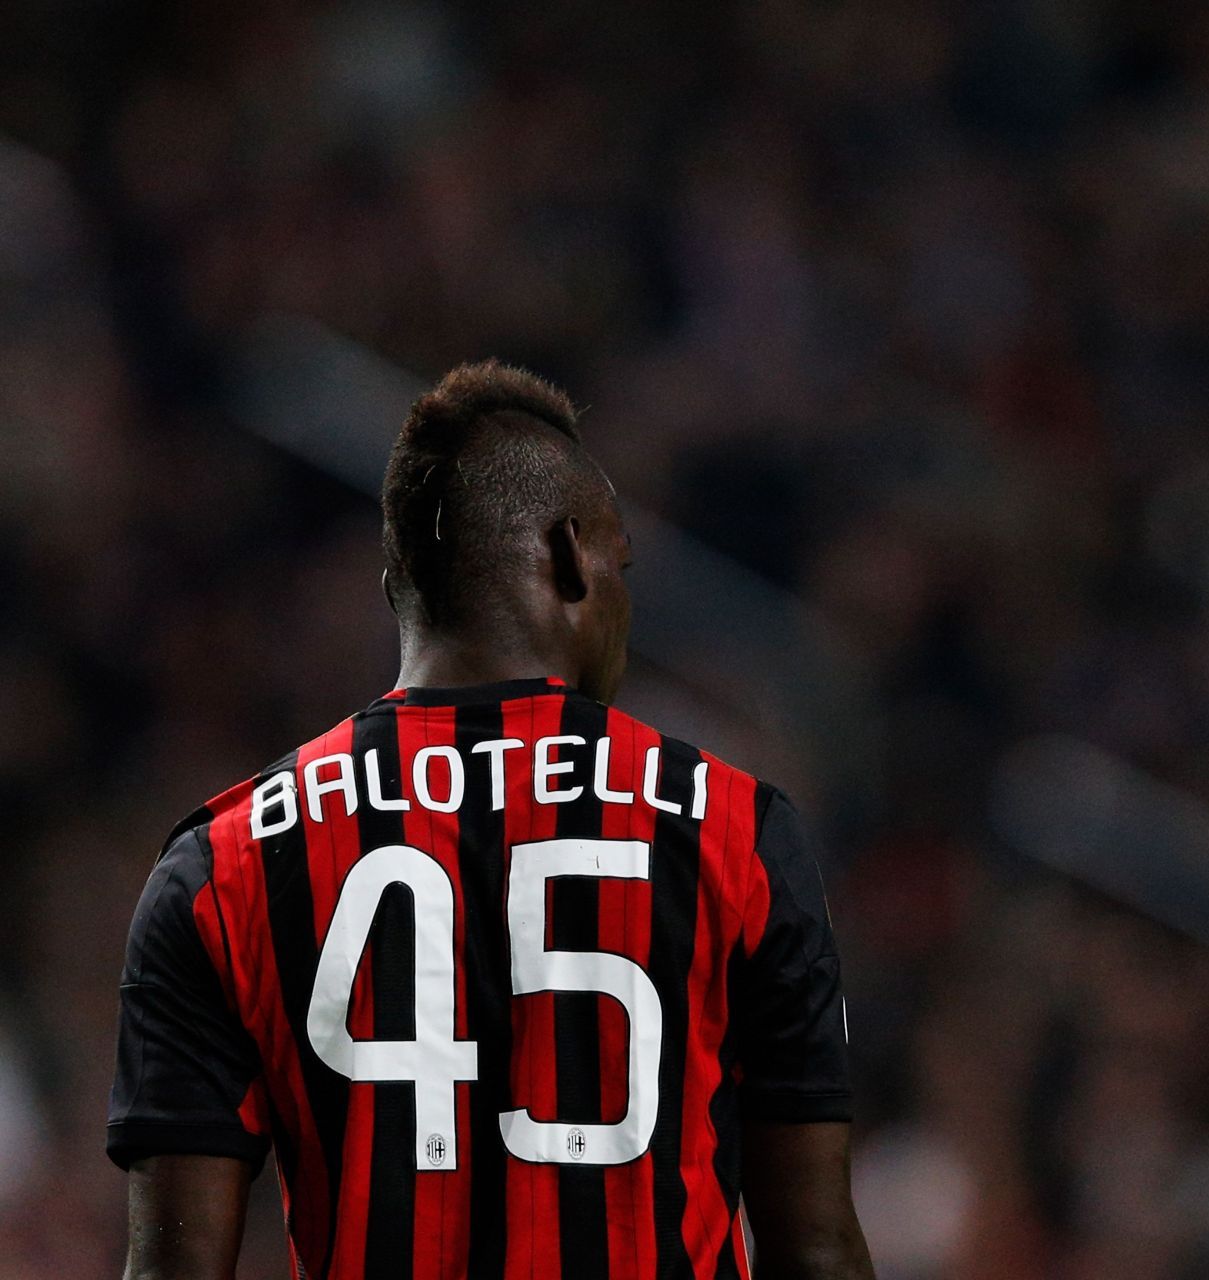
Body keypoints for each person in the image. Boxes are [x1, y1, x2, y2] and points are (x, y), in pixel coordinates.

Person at [107, 362, 875, 1280]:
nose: (625, 605)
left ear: (402, 586)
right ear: (564, 555)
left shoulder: (220, 867)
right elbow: (816, 1247)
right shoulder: (737, 832)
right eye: (619, 564)